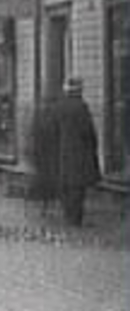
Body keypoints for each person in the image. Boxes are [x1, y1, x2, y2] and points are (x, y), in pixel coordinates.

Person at [54, 77, 101, 226]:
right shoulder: (81, 107)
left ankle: (68, 214)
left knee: (66, 183)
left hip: (63, 150)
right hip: (80, 151)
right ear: (78, 90)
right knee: (78, 185)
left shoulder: (59, 106)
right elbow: (88, 130)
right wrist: (93, 146)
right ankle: (75, 218)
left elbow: (54, 129)